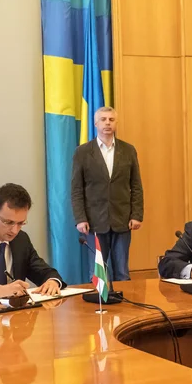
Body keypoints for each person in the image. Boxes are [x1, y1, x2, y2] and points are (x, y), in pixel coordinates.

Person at [71, 106, 144, 281]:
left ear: (116, 123)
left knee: (122, 272)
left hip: (123, 220)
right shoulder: (82, 152)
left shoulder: (128, 150)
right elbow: (76, 188)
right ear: (96, 123)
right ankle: (99, 307)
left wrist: (137, 215)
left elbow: (136, 185)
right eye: (103, 119)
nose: (107, 123)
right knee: (98, 273)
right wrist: (80, 218)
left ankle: (125, 307)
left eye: (111, 120)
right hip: (94, 221)